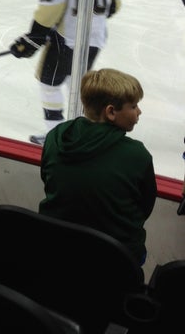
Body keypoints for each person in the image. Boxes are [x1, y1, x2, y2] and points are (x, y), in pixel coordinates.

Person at [9, 0, 121, 142]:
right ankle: (83, 130)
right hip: (96, 37)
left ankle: (56, 134)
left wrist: (34, 37)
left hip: (67, 40)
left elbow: (50, 10)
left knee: (48, 82)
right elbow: (114, 5)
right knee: (75, 80)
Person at [38, 68, 156, 264]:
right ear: (111, 112)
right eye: (134, 106)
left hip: (55, 245)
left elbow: (48, 180)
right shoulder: (136, 155)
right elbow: (145, 206)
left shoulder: (55, 137)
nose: (139, 111)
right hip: (115, 258)